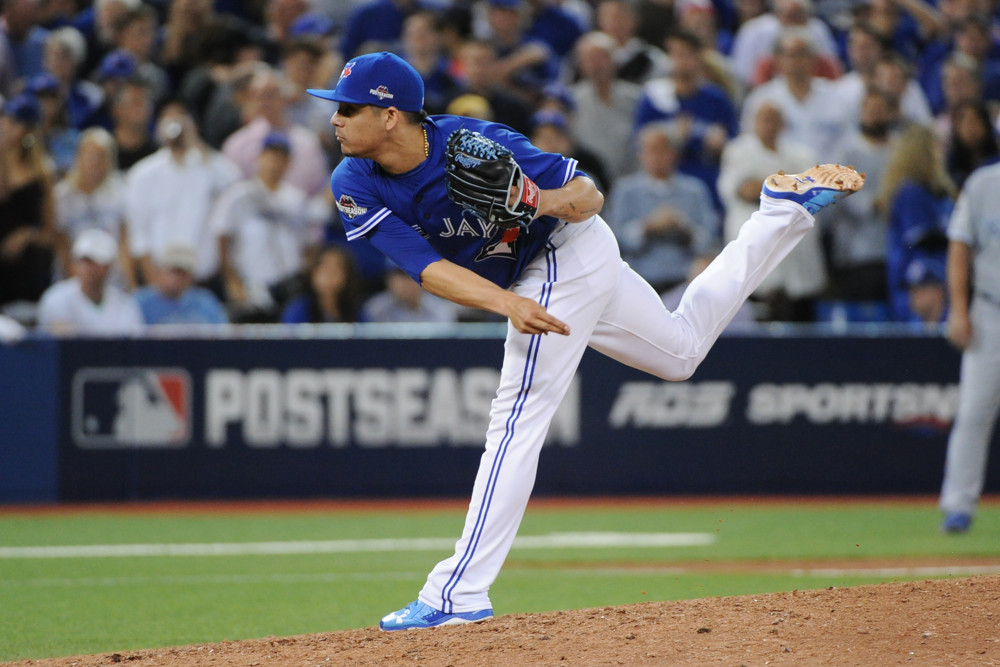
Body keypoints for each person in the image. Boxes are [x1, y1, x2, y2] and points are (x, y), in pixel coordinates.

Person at [304, 51, 864, 630]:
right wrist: (507, 303)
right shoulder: (353, 181)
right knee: (680, 353)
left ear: (391, 115)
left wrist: (532, 201)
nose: (335, 119)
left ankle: (456, 593)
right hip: (527, 279)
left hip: (564, 248)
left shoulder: (474, 144)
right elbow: (424, 267)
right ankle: (778, 213)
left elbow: (589, 196)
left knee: (517, 414)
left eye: (348, 108)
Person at [938, 154, 1000, 533]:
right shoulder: (983, 183)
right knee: (975, 411)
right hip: (991, 309)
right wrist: (958, 309)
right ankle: (958, 506)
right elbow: (959, 246)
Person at [36, 227, 143, 335]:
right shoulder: (56, 299)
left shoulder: (125, 304)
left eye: (96, 262)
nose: (88, 268)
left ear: (108, 267)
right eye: (84, 261)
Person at [134, 243, 229, 325]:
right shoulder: (140, 302)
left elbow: (222, 335)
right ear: (159, 271)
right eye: (173, 271)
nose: (178, 278)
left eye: (184, 272)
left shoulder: (205, 302)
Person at [280, 245, 364, 323]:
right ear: (312, 274)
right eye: (325, 269)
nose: (330, 275)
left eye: (336, 269)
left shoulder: (356, 311)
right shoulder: (297, 310)